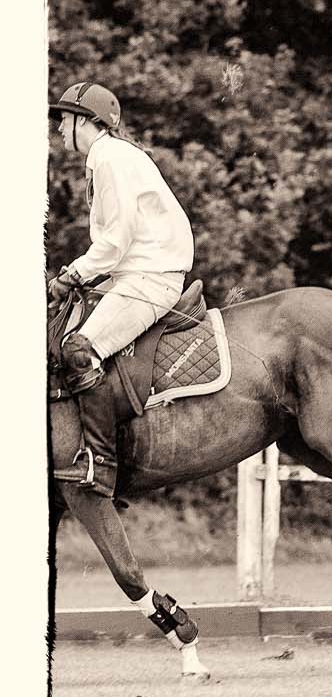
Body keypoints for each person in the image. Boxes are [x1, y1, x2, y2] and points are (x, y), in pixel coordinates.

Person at [47, 82, 195, 495]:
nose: (58, 127)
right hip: (135, 273)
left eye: (64, 118)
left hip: (149, 277)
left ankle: (100, 463)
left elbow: (115, 241)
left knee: (80, 350)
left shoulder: (110, 157)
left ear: (87, 121)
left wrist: (71, 275)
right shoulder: (108, 157)